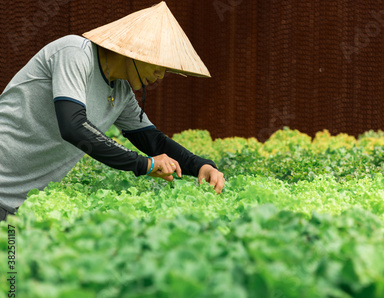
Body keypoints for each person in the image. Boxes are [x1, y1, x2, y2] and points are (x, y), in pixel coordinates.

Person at [0, 2, 225, 221]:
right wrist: (144, 164)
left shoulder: (122, 92)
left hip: (19, 206)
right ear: (136, 51)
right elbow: (73, 126)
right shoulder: (75, 53)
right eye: (158, 65)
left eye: (167, 69)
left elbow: (153, 140)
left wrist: (201, 166)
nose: (161, 75)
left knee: (12, 260)